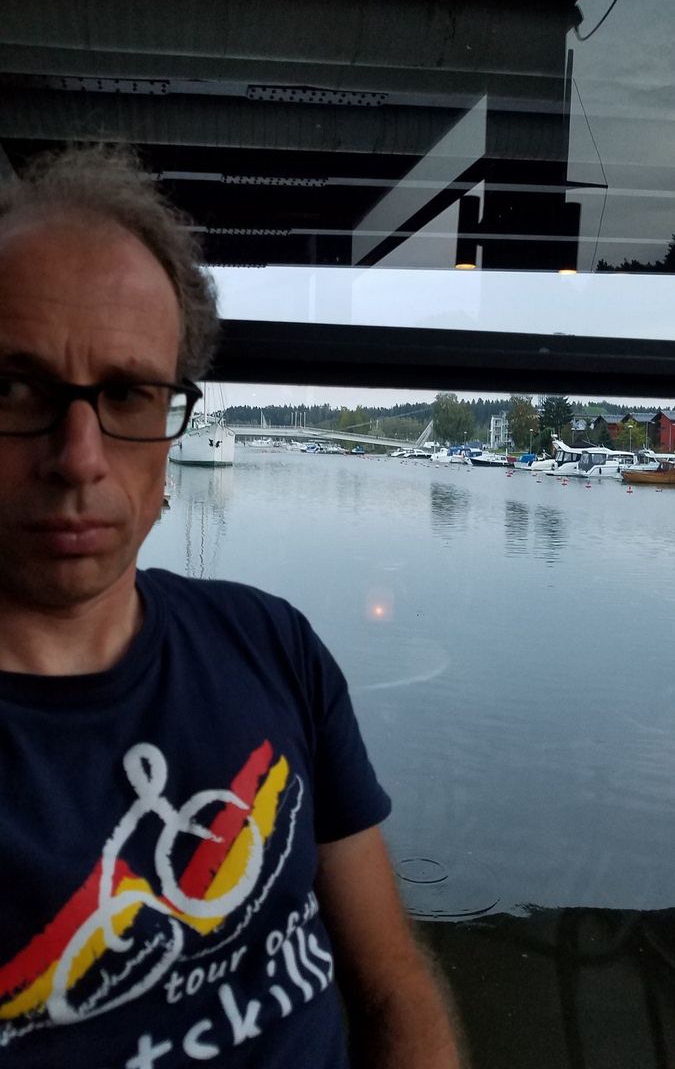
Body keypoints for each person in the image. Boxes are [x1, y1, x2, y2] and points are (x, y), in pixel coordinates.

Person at [0, 147, 464, 1069]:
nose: (80, 457)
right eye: (16, 388)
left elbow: (390, 982)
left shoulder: (271, 646)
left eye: (129, 393)